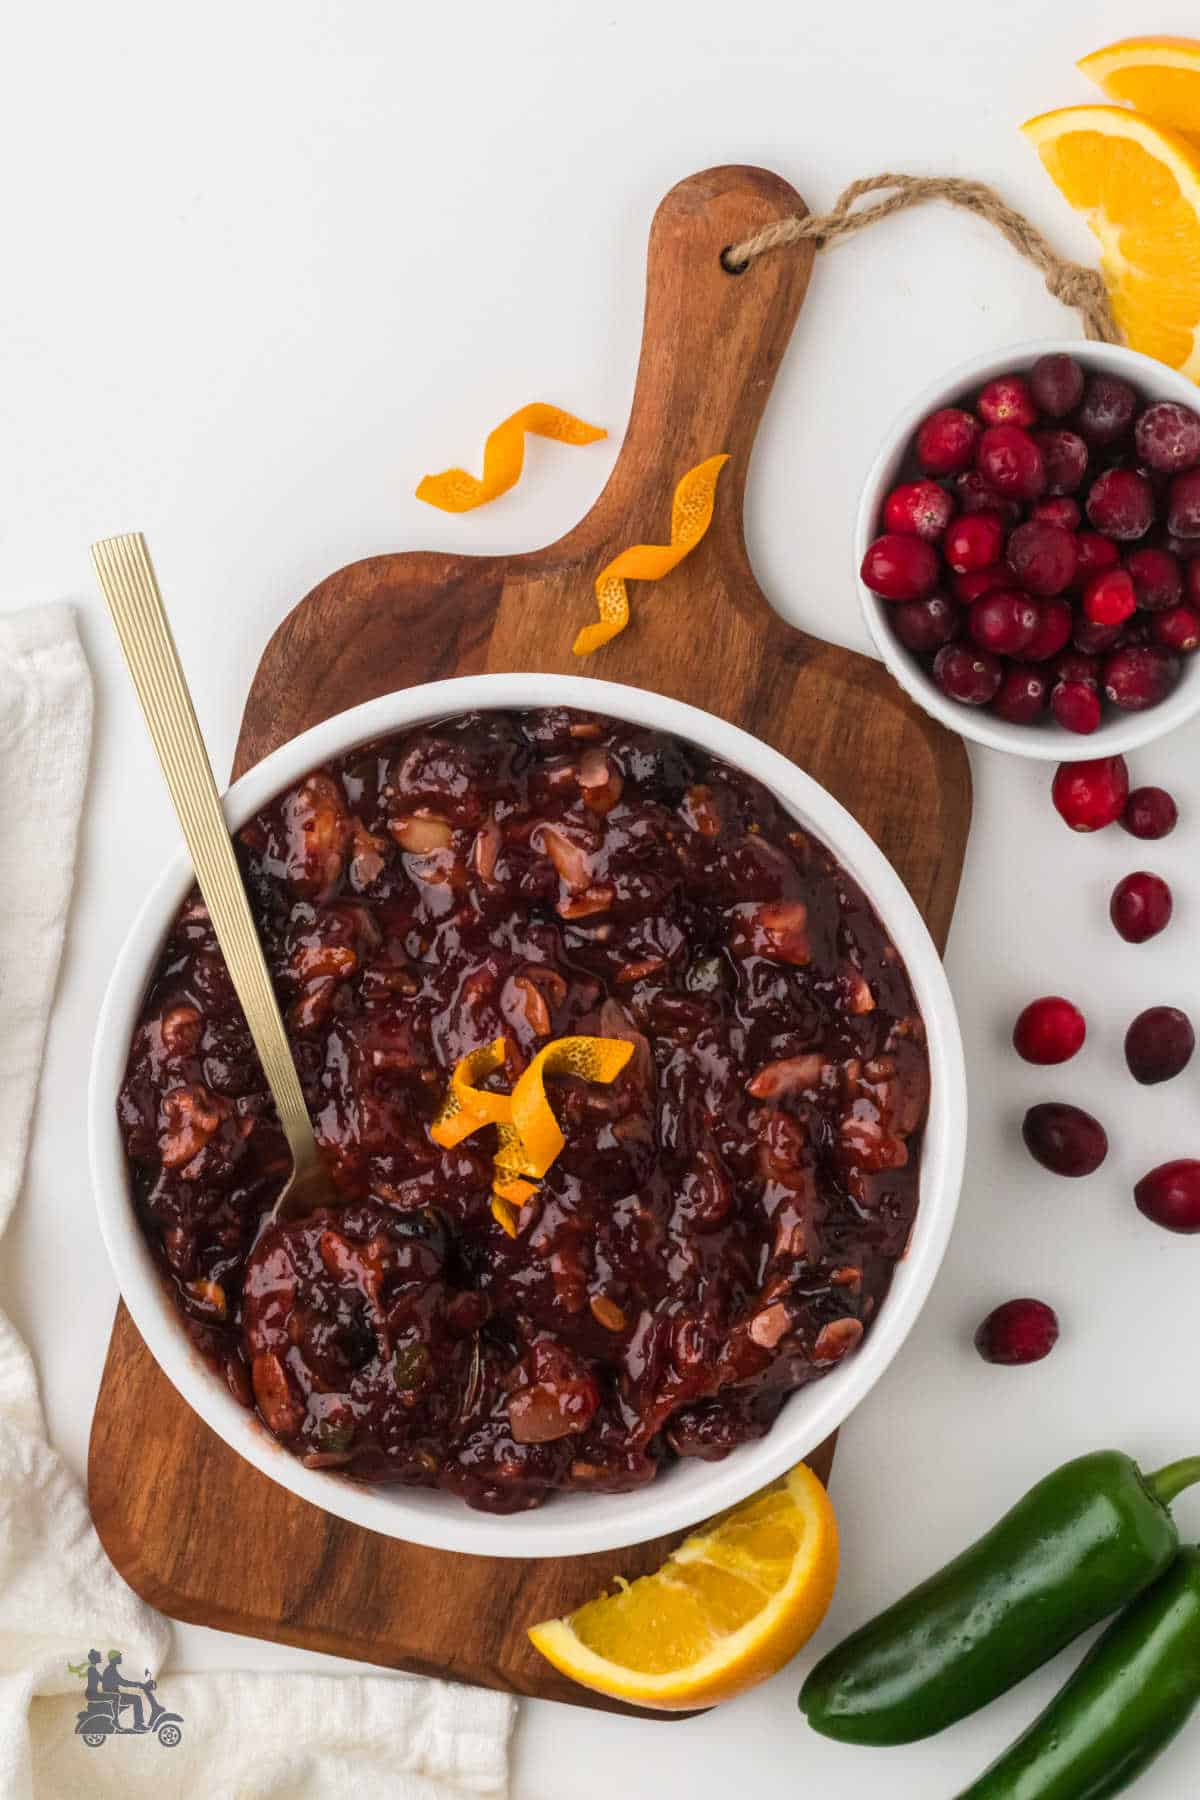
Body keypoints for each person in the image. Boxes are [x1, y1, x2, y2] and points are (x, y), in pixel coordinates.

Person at [100, 1649, 146, 1730]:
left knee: (135, 1698)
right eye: (119, 1657)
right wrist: (137, 1684)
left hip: (114, 1695)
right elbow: (123, 1682)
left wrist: (136, 1684)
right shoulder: (110, 1670)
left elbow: (121, 1682)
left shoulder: (111, 1669)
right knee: (137, 1699)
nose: (120, 1659)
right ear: (114, 1659)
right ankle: (138, 1725)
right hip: (114, 1696)